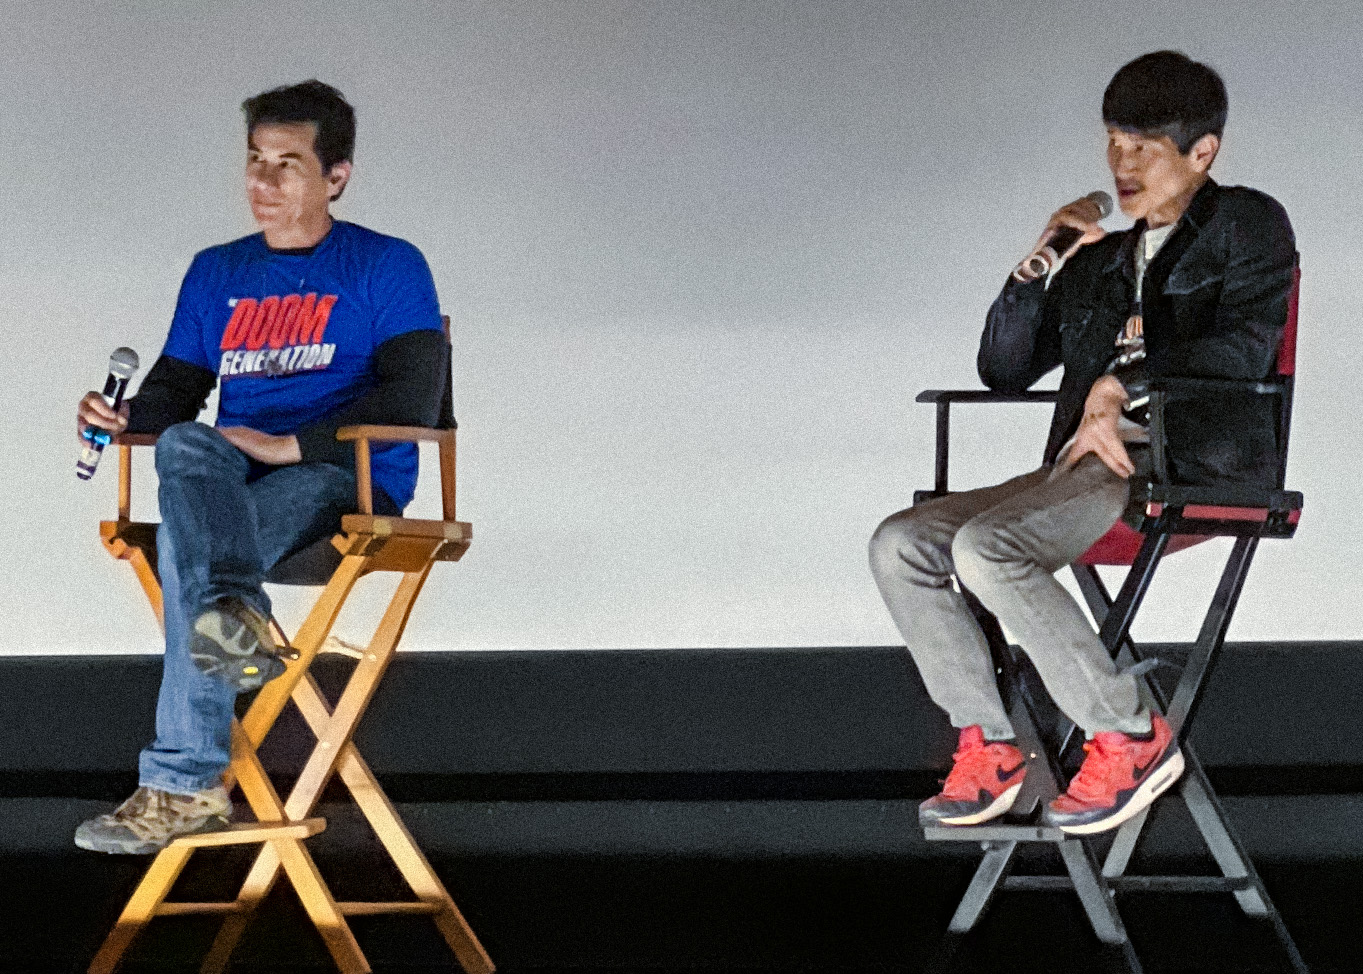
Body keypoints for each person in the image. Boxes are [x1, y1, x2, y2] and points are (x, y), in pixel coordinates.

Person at [868, 51, 1295, 835]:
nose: (1120, 165)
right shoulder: (1098, 262)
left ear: (1201, 151)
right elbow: (1002, 371)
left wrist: (1120, 386)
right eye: (1112, 142)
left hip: (1174, 461)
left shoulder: (1245, 224)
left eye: (1143, 148)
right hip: (1079, 469)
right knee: (901, 543)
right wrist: (1037, 266)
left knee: (988, 549)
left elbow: (1243, 349)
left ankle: (1128, 733)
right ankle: (991, 743)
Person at [74, 80, 450, 853]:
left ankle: (183, 784)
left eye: (287, 164)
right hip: (228, 480)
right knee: (184, 445)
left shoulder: (386, 264)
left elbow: (414, 396)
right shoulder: (217, 271)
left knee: (197, 552)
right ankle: (234, 617)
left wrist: (290, 445)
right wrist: (122, 418)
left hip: (344, 480)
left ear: (336, 177)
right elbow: (175, 394)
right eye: (254, 160)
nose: (262, 182)